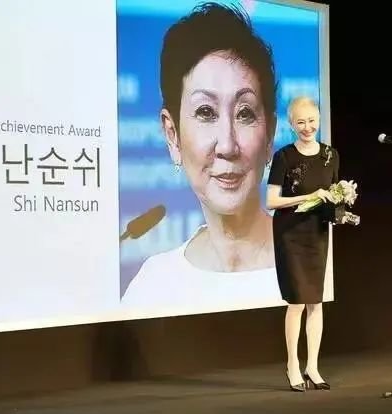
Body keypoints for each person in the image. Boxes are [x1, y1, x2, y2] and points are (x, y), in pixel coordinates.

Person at [121, 2, 282, 310]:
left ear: (270, 135)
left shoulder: (317, 261)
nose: (227, 145)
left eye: (245, 113)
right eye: (206, 112)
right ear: (172, 135)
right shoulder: (152, 288)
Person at [266, 96, 339, 392]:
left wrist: (341, 211)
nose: (307, 127)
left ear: (319, 119)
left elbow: (331, 197)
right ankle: (293, 364)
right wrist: (310, 196)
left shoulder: (331, 155)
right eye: (301, 122)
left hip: (317, 234)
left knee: (315, 302)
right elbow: (271, 201)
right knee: (296, 302)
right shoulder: (284, 157)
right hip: (290, 235)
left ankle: (313, 366)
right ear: (291, 124)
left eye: (312, 121)